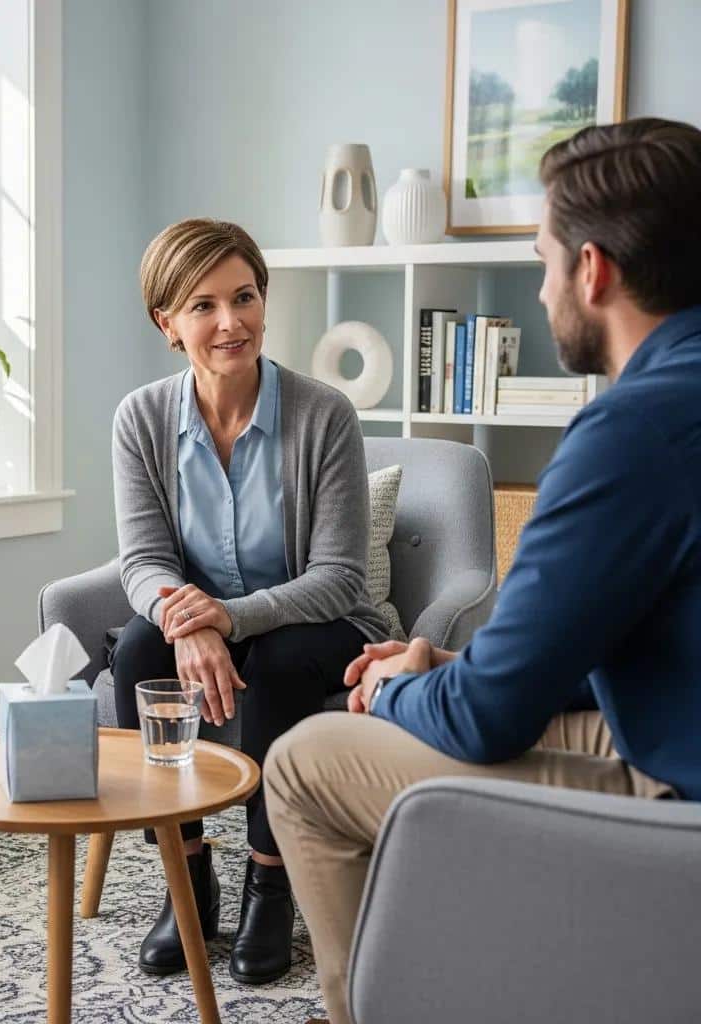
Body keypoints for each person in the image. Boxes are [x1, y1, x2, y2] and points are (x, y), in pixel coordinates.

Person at [264, 116, 701, 1024]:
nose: (542, 294)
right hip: (674, 722)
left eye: (543, 262)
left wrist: (393, 693)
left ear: (594, 270)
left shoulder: (632, 431)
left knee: (303, 761)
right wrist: (454, 666)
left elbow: (485, 720)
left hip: (679, 808)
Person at [110, 217, 390, 984]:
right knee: (138, 650)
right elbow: (143, 558)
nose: (230, 322)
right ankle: (187, 877)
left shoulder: (323, 414)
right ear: (166, 322)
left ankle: (270, 883)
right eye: (202, 305)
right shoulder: (140, 419)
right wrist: (182, 621)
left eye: (244, 297)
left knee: (280, 656)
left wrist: (226, 618)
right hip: (199, 621)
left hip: (313, 624)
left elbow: (340, 578)